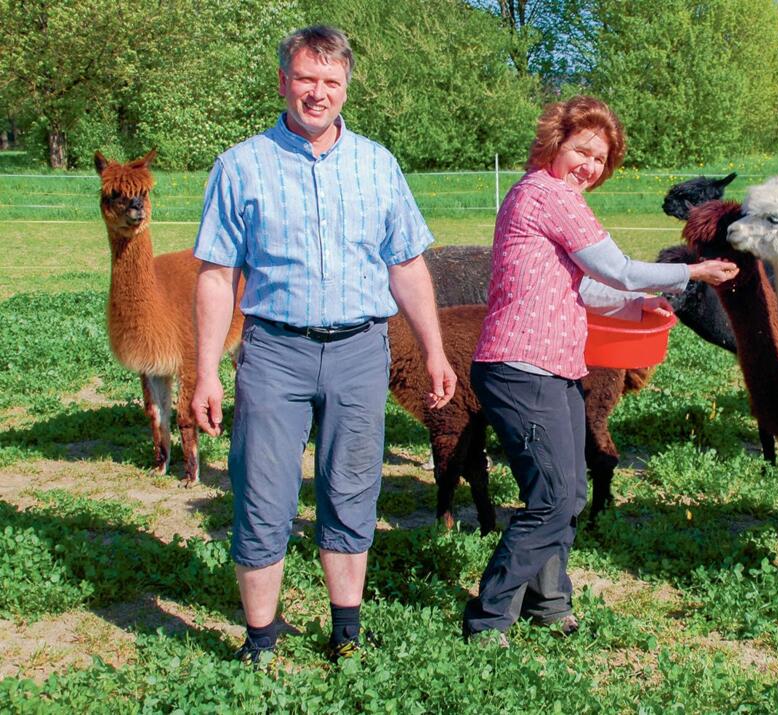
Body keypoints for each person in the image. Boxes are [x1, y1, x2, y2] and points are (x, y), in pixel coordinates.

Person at [191, 25, 456, 665]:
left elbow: (407, 265)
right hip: (274, 353)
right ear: (283, 81)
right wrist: (204, 371)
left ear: (346, 87)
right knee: (263, 492)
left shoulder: (378, 165)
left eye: (330, 82)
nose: (317, 93)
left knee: (353, 486)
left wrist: (435, 349)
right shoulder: (240, 167)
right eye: (306, 79)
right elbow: (217, 275)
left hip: (360, 350)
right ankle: (260, 642)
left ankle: (346, 632)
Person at [463, 95, 738, 645]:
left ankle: (549, 603)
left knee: (569, 492)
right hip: (522, 366)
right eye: (581, 151)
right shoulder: (546, 193)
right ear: (554, 144)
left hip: (554, 365)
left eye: (600, 159)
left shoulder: (547, 197)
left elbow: (587, 283)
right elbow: (614, 267)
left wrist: (639, 307)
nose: (588, 166)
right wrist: (691, 272)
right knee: (553, 498)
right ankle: (489, 617)